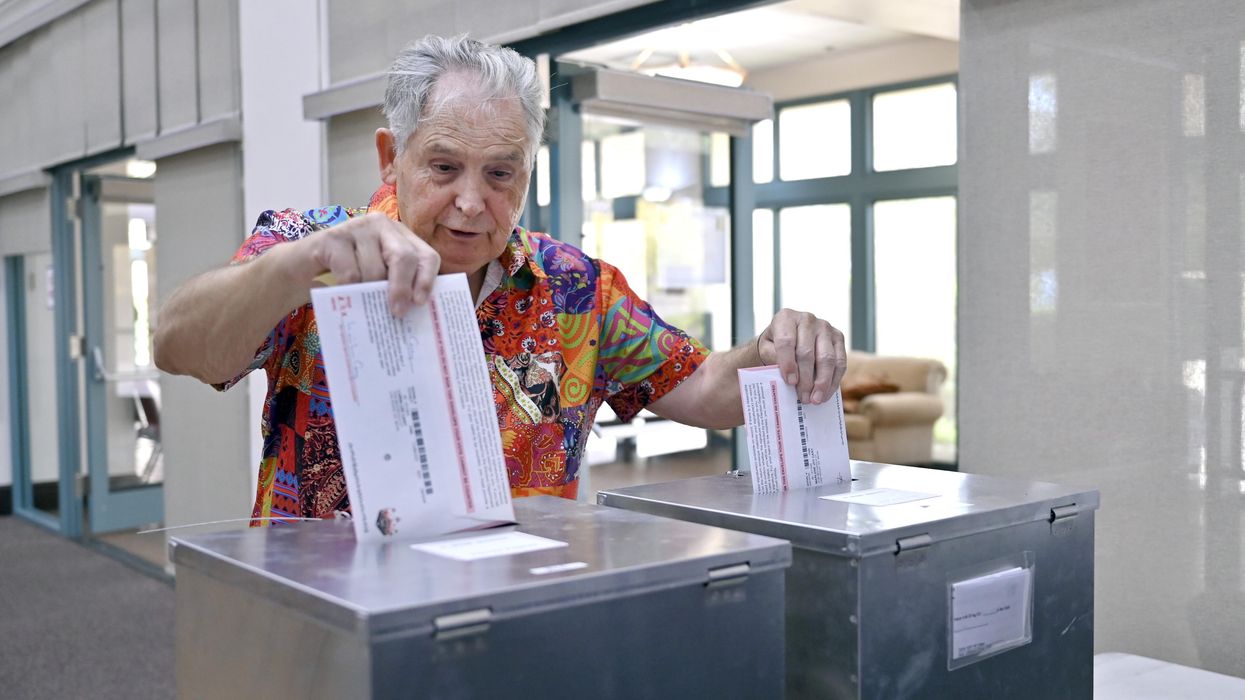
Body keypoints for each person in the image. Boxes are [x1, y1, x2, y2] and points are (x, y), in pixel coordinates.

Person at [153, 35, 846, 523]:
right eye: (444, 166)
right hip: (327, 619)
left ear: (527, 172)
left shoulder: (574, 287)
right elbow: (179, 346)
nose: (470, 202)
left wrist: (770, 353)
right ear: (391, 157)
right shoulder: (312, 249)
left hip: (511, 613)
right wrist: (295, 268)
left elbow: (699, 388)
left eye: (500, 173)